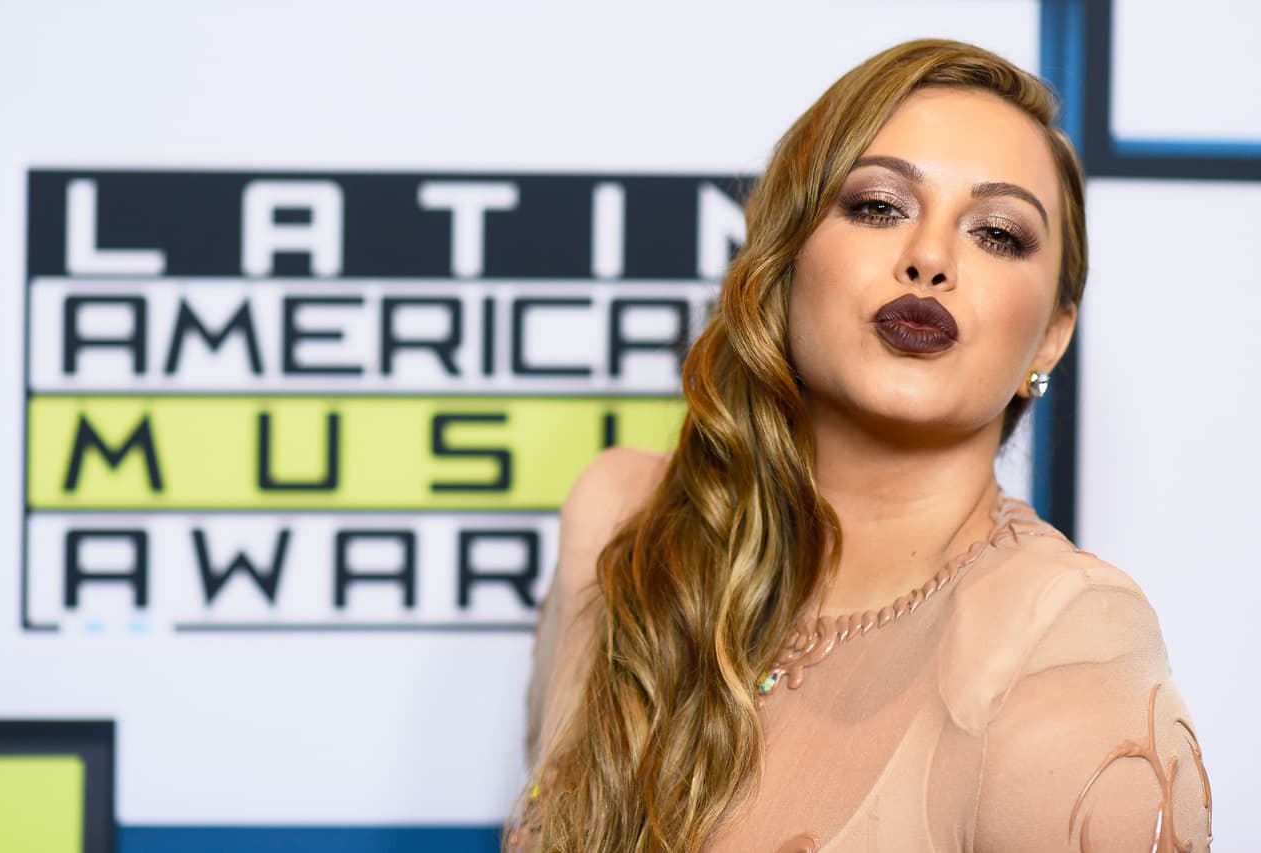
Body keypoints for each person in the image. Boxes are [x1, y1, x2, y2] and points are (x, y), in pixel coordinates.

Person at [509, 39, 1212, 852]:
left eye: (998, 233)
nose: (930, 258)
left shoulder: (1060, 640)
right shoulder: (619, 528)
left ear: (1051, 339)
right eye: (880, 207)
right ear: (782, 259)